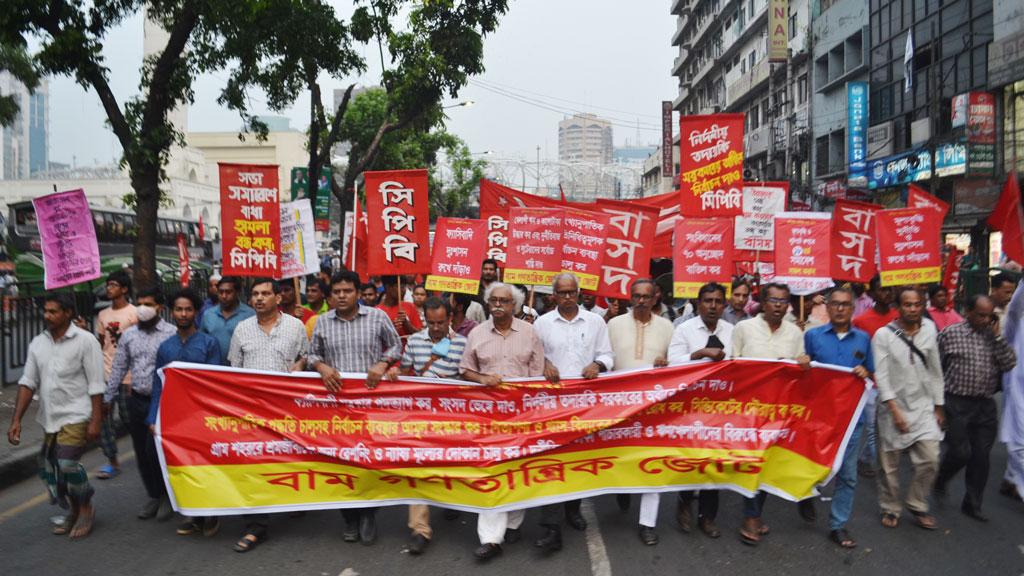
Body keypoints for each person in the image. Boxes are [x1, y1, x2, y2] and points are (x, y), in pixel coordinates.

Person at [309, 271, 402, 546]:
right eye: (336, 291)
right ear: (330, 295)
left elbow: (396, 345)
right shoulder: (322, 322)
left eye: (347, 291)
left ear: (358, 293)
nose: (341, 296)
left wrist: (383, 363)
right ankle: (349, 517)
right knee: (340, 462)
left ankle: (368, 514)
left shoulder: (377, 317)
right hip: (336, 406)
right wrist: (321, 366)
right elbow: (312, 353)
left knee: (368, 461)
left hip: (371, 404)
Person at [459, 282, 545, 561]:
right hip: (487, 416)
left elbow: (537, 374)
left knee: (518, 469)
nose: (498, 305)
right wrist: (482, 379)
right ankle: (491, 538)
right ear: (487, 304)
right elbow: (465, 370)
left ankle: (513, 523)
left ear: (515, 306)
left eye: (504, 301)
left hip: (522, 415)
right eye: (493, 300)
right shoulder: (477, 333)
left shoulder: (530, 332)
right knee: (492, 471)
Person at [7, 292, 104, 539]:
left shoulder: (86, 340)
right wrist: (16, 419)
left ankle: (85, 508)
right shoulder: (38, 343)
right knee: (55, 470)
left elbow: (96, 384)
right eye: (46, 311)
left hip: (77, 414)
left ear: (68, 313)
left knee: (67, 464)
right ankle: (73, 510)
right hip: (50, 417)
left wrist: (96, 420)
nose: (47, 316)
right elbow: (28, 382)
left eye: (53, 311)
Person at [227, 278, 309, 553]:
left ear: (277, 298)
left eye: (265, 294)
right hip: (252, 411)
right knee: (251, 463)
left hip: (287, 410)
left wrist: (299, 365)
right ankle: (255, 526)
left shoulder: (296, 327)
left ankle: (292, 499)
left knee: (286, 459)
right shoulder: (241, 329)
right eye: (255, 294)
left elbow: (305, 357)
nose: (259, 298)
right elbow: (234, 370)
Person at [534, 273, 614, 551]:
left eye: (572, 292)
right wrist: (543, 362)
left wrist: (598, 366)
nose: (567, 297)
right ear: (553, 295)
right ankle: (551, 525)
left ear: (579, 293)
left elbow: (608, 355)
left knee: (578, 458)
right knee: (552, 459)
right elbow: (533, 355)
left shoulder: (595, 322)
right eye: (562, 293)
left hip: (585, 403)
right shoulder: (542, 323)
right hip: (551, 404)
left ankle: (573, 509)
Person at [385, 297, 468, 555]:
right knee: (418, 469)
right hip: (420, 417)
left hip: (453, 419)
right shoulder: (415, 342)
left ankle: (453, 500)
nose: (435, 328)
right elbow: (406, 372)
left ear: (450, 319)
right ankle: (420, 529)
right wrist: (396, 372)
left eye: (440, 323)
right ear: (424, 319)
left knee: (453, 465)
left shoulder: (463, 344)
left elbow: (469, 376)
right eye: (430, 322)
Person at [731, 282, 811, 545]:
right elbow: (733, 367)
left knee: (767, 463)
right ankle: (751, 516)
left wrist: (803, 364)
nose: (778, 305)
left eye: (783, 301)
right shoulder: (743, 329)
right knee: (753, 460)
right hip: (750, 410)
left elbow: (800, 368)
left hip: (780, 411)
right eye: (773, 300)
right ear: (762, 302)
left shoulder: (794, 333)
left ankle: (754, 513)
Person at [147, 288, 223, 537]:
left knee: (206, 466)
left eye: (188, 309)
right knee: (184, 467)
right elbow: (158, 384)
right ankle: (193, 514)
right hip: (174, 418)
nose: (183, 313)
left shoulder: (208, 343)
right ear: (172, 312)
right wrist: (153, 417)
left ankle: (211, 514)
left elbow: (214, 382)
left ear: (196, 312)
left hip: (202, 416)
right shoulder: (165, 347)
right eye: (179, 309)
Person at [934, 295, 1016, 521]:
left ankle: (972, 503)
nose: (985, 319)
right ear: (968, 312)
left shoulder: (994, 337)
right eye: (980, 314)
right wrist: (936, 404)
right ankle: (941, 478)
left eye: (989, 315)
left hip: (984, 405)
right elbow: (935, 368)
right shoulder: (950, 334)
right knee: (961, 452)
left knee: (981, 456)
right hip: (956, 403)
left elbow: (1009, 363)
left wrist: (997, 338)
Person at [803, 287, 874, 548]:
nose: (841, 309)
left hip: (852, 421)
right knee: (814, 467)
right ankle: (805, 495)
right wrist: (804, 363)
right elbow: (805, 375)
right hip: (819, 419)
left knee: (848, 474)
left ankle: (838, 525)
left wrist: (866, 373)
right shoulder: (812, 336)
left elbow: (873, 374)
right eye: (835, 304)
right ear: (828, 307)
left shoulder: (864, 340)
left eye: (846, 304)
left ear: (852, 308)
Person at [607, 278, 673, 545]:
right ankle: (623, 489)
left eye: (646, 296)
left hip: (655, 407)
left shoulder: (668, 327)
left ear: (655, 298)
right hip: (618, 406)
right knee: (620, 459)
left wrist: (666, 365)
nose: (641, 300)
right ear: (630, 297)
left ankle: (648, 523)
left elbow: (679, 363)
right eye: (637, 296)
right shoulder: (613, 325)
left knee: (652, 464)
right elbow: (604, 357)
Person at [872, 287, 944, 531]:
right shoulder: (883, 335)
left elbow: (935, 370)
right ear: (898, 306)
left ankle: (917, 502)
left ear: (922, 305)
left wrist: (938, 406)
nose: (912, 309)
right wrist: (894, 410)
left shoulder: (930, 329)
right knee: (889, 465)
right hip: (893, 407)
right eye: (907, 304)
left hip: (923, 406)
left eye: (917, 304)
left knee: (931, 458)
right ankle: (890, 507)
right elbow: (881, 376)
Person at [666, 283, 733, 540]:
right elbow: (673, 362)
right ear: (698, 302)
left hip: (722, 408)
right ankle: (684, 503)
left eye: (718, 301)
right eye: (708, 301)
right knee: (690, 461)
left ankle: (708, 516)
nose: (713, 306)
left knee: (714, 462)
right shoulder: (684, 329)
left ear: (724, 305)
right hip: (689, 408)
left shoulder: (733, 331)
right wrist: (700, 353)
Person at [104, 286, 176, 521]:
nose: (144, 308)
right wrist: (108, 396)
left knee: (156, 452)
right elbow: (119, 367)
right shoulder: (129, 335)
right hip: (137, 398)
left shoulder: (171, 334)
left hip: (163, 403)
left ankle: (167, 496)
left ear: (160, 308)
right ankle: (153, 495)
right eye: (140, 303)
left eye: (149, 304)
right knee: (141, 453)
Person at [852, 275, 897, 478]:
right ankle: (878, 467)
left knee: (886, 426)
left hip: (895, 382)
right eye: (882, 289)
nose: (887, 293)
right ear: (872, 293)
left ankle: (864, 459)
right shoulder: (861, 321)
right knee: (872, 428)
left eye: (890, 289)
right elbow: (856, 350)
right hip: (871, 382)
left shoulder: (899, 317)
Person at [94, 270, 137, 480]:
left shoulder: (134, 313)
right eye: (108, 285)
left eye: (113, 285)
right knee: (105, 420)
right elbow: (101, 345)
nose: (109, 288)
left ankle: (145, 451)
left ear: (124, 289)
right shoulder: (102, 315)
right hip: (107, 375)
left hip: (129, 376)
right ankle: (112, 461)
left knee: (130, 419)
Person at [1001, 279, 1024, 502]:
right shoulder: (1018, 320)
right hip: (1018, 387)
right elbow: (1016, 305)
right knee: (1020, 439)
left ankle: (1011, 478)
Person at [200, 276, 255, 361]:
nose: (224, 296)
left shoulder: (250, 314)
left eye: (228, 292)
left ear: (237, 292)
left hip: (240, 367)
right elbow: (202, 341)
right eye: (221, 292)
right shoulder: (208, 314)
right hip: (213, 367)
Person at [377, 275, 423, 341]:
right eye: (400, 287)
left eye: (404, 287)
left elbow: (420, 335)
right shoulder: (377, 311)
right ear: (388, 287)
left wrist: (406, 324)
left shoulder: (410, 307)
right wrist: (391, 328)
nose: (403, 290)